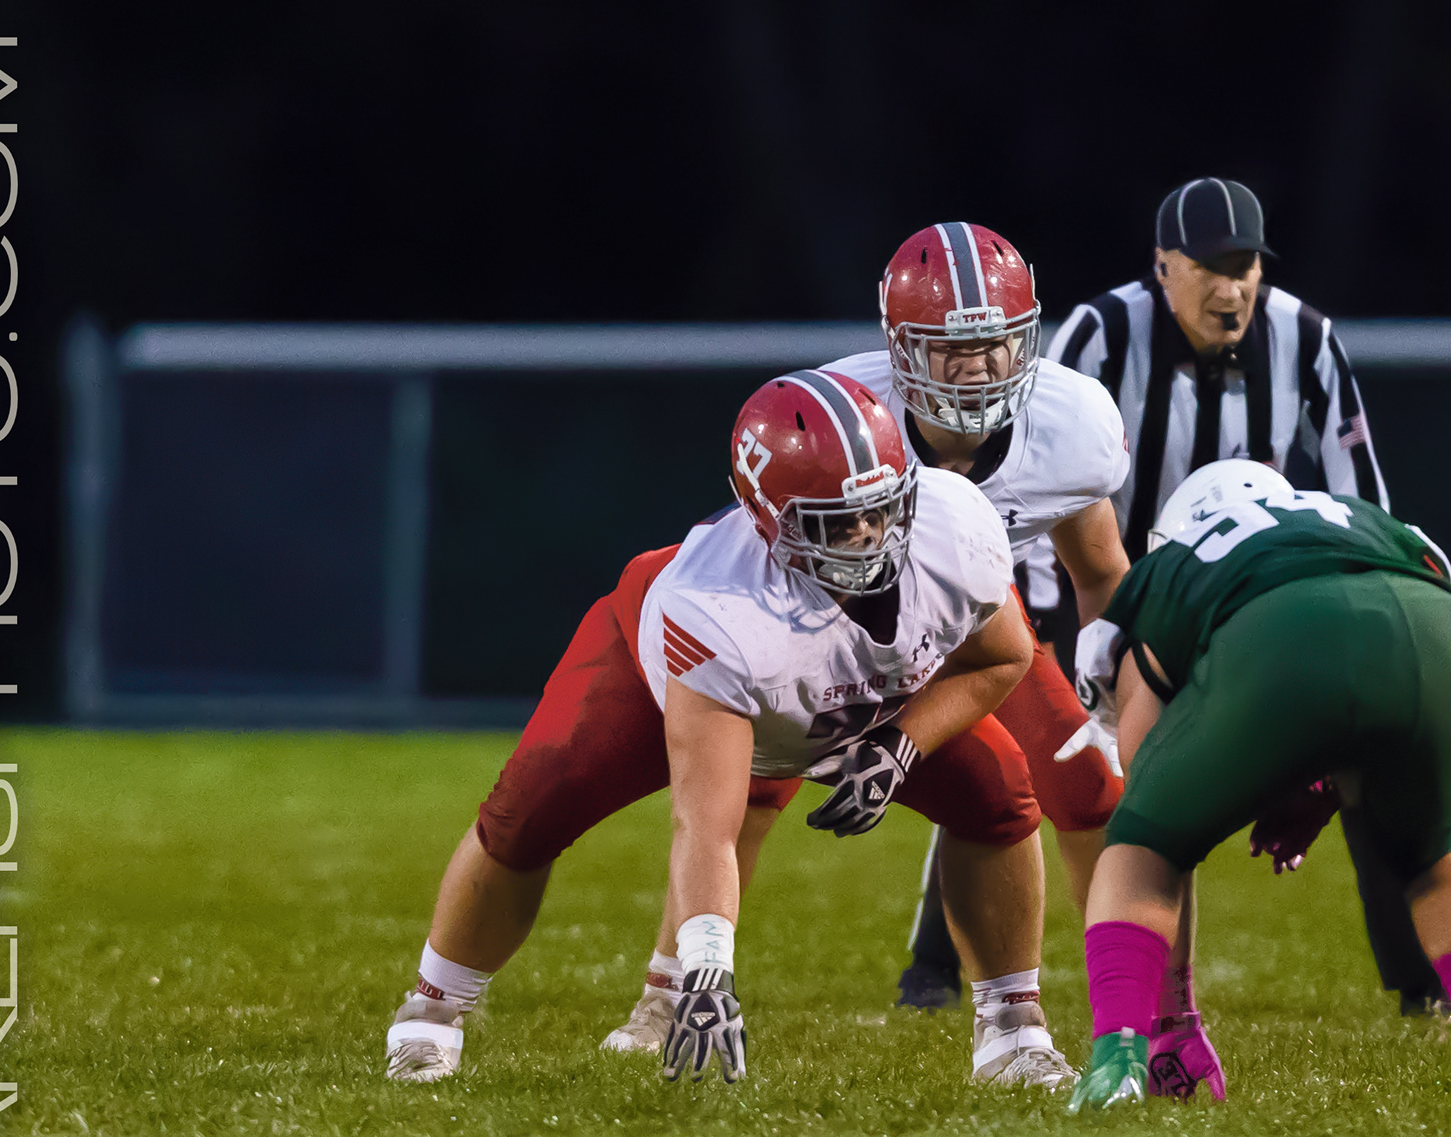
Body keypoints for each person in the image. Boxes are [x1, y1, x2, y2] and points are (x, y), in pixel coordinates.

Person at [384, 368, 1078, 1089]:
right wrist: (708, 975)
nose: (869, 535)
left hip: (870, 699)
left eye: (880, 508)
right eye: (836, 522)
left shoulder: (952, 526)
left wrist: (902, 746)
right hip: (658, 681)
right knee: (528, 813)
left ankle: (1013, 1031)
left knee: (1000, 796)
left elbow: (1004, 658)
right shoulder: (716, 609)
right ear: (769, 521)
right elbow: (707, 826)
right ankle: (432, 1011)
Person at [601, 222, 1132, 1034]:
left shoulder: (1071, 423)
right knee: (750, 791)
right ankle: (671, 991)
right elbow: (769, 535)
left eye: (995, 343)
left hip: (976, 622)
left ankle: (1104, 1006)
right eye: (950, 348)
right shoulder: (843, 413)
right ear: (898, 347)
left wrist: (1114, 697)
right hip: (831, 619)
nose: (978, 367)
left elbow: (1099, 570)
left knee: (1074, 787)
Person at [1044, 176, 1451, 1018]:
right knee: (1047, 760)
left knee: (1371, 762)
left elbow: (1360, 494)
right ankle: (945, 968)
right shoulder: (1100, 334)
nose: (1231, 289)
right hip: (1120, 593)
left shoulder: (1304, 336)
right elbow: (1039, 473)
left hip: (1248, 604)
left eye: (1246, 268)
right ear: (1163, 266)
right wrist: (1059, 614)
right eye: (1210, 267)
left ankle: (1420, 982)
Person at [1064, 460, 1451, 1120]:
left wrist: (1251, 780)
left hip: (1282, 637)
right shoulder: (1375, 525)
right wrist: (1316, 787)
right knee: (1431, 856)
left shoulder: (1174, 565)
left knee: (1142, 844)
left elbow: (1146, 771)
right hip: (1446, 638)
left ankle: (1116, 1065)